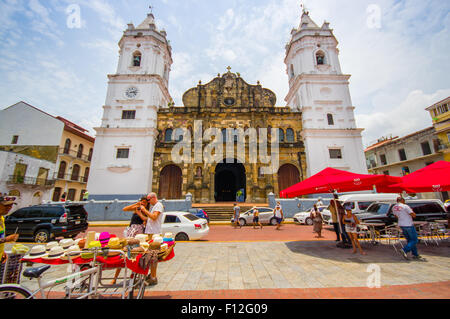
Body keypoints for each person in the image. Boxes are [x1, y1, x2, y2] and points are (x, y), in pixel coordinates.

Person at [111, 196, 149, 284]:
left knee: (136, 254)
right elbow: (125, 209)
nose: (143, 203)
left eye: (145, 202)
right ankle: (115, 278)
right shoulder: (137, 208)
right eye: (142, 201)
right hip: (131, 230)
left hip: (139, 231)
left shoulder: (146, 211)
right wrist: (137, 204)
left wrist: (140, 213)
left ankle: (134, 275)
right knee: (125, 252)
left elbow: (146, 219)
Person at [143, 193, 165, 285]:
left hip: (155, 234)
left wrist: (144, 210)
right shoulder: (154, 206)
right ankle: (151, 275)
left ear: (153, 198)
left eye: (148, 200)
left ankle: (153, 276)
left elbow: (154, 217)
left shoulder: (158, 205)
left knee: (153, 256)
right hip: (151, 233)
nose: (148, 202)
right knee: (149, 256)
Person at [0, 196, 19, 264]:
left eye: (11, 205)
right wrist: (6, 239)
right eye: (6, 205)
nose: (9, 207)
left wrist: (2, 252)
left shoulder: (2, 218)